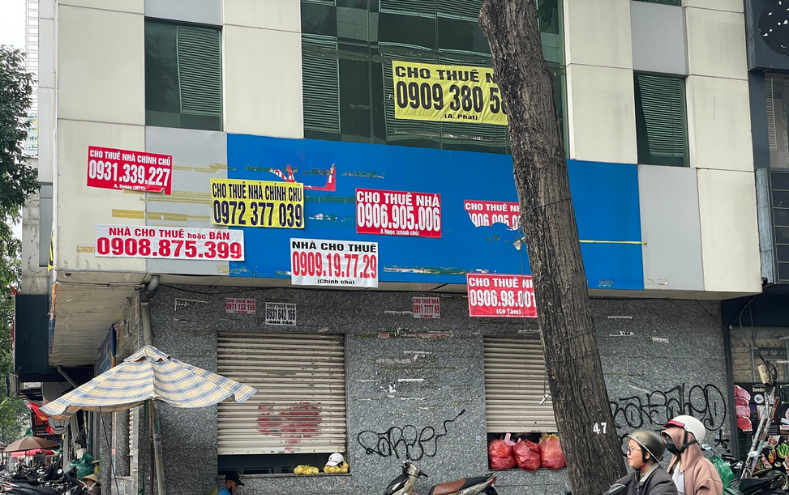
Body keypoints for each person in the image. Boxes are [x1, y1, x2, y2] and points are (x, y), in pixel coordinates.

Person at [661, 415, 723, 495]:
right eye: (668, 437)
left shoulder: (703, 467)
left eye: (676, 436)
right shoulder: (675, 464)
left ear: (690, 437)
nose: (669, 440)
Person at [605, 430, 678, 495]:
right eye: (628, 449)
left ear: (647, 454)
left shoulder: (663, 483)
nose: (628, 453)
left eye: (632, 449)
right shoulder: (628, 481)